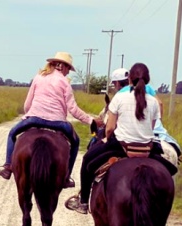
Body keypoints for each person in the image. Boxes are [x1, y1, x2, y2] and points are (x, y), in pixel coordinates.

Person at [66, 63, 163, 214]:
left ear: (130, 79)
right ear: (148, 79)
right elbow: (151, 127)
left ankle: (83, 202)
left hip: (121, 146)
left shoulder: (119, 98)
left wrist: (106, 139)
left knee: (87, 160)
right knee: (169, 166)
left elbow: (110, 128)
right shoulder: (154, 102)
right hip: (146, 148)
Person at [0, 52, 98, 188]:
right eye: (68, 69)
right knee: (75, 142)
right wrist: (91, 120)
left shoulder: (38, 77)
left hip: (34, 119)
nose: (68, 73)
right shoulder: (65, 83)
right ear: (64, 67)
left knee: (12, 133)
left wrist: (31, 115)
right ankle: (66, 176)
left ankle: (8, 166)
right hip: (59, 123)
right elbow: (73, 109)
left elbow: (27, 105)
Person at [110, 67, 180, 157]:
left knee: (91, 157)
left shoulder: (119, 96)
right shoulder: (150, 92)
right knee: (175, 149)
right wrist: (159, 123)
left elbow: (110, 126)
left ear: (118, 82)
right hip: (149, 141)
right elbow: (160, 104)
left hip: (124, 142)